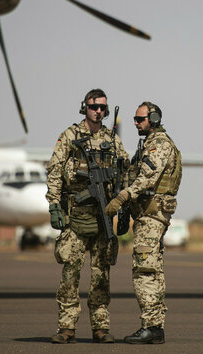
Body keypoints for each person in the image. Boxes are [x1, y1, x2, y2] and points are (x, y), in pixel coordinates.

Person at [46, 89, 128, 344]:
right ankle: (66, 327)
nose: (99, 112)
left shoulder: (112, 140)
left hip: (103, 218)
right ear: (85, 108)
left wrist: (124, 208)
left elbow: (124, 173)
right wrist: (54, 206)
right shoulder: (70, 136)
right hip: (76, 218)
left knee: (101, 276)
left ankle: (100, 328)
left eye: (103, 107)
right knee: (70, 274)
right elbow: (54, 170)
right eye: (94, 107)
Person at [105, 101, 181, 344]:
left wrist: (123, 196)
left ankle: (151, 326)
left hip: (152, 215)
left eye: (140, 119)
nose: (136, 123)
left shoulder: (159, 144)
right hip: (148, 215)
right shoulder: (147, 144)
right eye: (135, 120)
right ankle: (155, 326)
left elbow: (148, 178)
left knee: (144, 270)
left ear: (154, 118)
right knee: (153, 269)